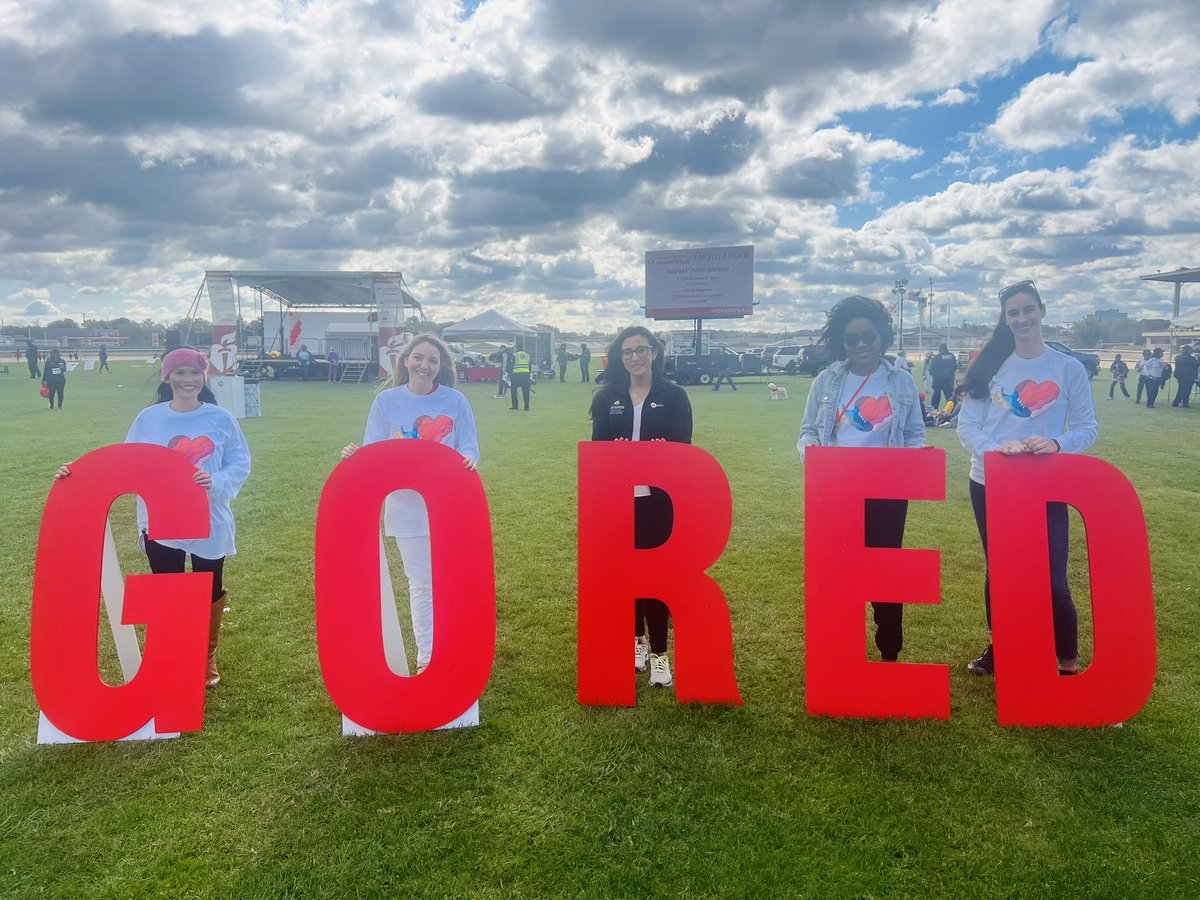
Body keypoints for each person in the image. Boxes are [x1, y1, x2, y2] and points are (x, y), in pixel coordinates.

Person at [55, 348, 251, 688]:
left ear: (204, 377)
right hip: (161, 518)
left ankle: (205, 656)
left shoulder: (220, 418)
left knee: (208, 585)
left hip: (210, 516)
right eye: (180, 373)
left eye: (194, 373)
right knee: (168, 586)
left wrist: (216, 481)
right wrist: (78, 472)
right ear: (167, 377)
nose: (187, 379)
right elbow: (126, 462)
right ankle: (173, 652)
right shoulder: (149, 418)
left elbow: (240, 461)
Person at [956, 280, 1097, 677]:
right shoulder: (990, 365)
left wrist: (1056, 442)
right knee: (1000, 570)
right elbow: (967, 428)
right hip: (990, 481)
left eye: (1028, 309)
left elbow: (1086, 428)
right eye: (1013, 312)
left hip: (1046, 485)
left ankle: (1067, 659)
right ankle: (1000, 648)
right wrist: (998, 450)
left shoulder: (1067, 368)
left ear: (1042, 311)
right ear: (1005, 319)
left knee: (1052, 577)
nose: (1022, 318)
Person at [340, 334, 479, 674]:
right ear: (405, 361)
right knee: (421, 584)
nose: (425, 366)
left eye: (433, 360)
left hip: (449, 506)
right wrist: (355, 455)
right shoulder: (386, 401)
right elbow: (373, 451)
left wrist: (469, 460)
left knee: (451, 581)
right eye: (418, 358)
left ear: (440, 366)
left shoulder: (456, 400)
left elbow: (470, 447)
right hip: (406, 509)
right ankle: (428, 658)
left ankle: (455, 651)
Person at [797, 295, 926, 662]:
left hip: (886, 493)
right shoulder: (826, 381)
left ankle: (889, 653)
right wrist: (815, 456)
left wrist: (916, 456)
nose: (860, 344)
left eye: (868, 336)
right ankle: (841, 654)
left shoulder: (900, 382)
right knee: (839, 574)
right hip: (835, 492)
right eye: (851, 339)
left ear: (881, 336)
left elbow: (915, 433)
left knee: (886, 574)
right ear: (841, 341)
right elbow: (807, 431)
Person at [590, 326, 692, 687]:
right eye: (628, 352)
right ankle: (638, 641)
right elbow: (597, 452)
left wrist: (665, 453)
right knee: (627, 577)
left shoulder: (674, 396)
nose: (635, 357)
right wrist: (613, 453)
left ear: (654, 353)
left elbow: (685, 450)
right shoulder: (606, 398)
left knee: (655, 579)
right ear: (621, 357)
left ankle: (661, 656)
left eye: (641, 350)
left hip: (658, 502)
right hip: (619, 502)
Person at [928, 343, 958, 408]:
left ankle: (934, 409)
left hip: (938, 380)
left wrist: (933, 373)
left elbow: (932, 369)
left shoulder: (937, 357)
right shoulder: (952, 356)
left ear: (940, 349)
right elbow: (955, 367)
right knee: (949, 396)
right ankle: (953, 409)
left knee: (936, 395)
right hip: (949, 380)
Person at [510, 345, 532, 410]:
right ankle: (526, 406)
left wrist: (510, 374)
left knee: (513, 390)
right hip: (526, 375)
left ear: (516, 349)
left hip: (516, 375)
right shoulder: (527, 355)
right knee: (526, 391)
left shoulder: (515, 355)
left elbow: (511, 365)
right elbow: (529, 366)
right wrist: (529, 374)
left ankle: (515, 405)